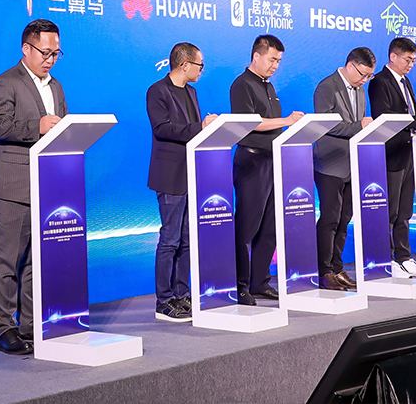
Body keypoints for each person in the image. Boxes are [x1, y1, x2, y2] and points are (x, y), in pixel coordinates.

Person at [0, 19, 68, 355]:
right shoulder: (6, 82)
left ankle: (30, 325)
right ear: (26, 48)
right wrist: (38, 126)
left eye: (56, 53)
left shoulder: (56, 87)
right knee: (7, 262)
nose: (50, 59)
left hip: (46, 184)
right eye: (45, 52)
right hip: (13, 186)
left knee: (36, 262)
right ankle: (4, 329)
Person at [146, 43, 218, 322]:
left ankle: (181, 293)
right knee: (170, 239)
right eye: (200, 65)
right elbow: (162, 129)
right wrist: (200, 127)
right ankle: (164, 300)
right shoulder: (157, 91)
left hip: (191, 173)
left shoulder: (192, 92)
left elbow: (193, 132)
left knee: (187, 239)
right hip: (170, 174)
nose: (202, 71)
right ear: (185, 64)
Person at [230, 35, 304, 305]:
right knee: (247, 226)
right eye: (272, 59)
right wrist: (286, 121)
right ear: (256, 56)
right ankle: (239, 285)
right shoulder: (242, 85)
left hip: (272, 160)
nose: (275, 65)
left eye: (279, 61)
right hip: (252, 161)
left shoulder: (269, 86)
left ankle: (259, 282)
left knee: (270, 226)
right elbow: (249, 122)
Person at [368, 38, 416, 278]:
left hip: (409, 151)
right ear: (393, 57)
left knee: (405, 210)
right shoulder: (379, 81)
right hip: (391, 153)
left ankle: (403, 256)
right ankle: (386, 258)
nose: (411, 65)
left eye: (414, 61)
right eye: (408, 59)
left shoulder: (405, 81)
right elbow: (384, 117)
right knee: (390, 210)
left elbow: (409, 116)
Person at [312, 47, 376, 291]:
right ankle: (323, 270)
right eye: (363, 74)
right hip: (329, 163)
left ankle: (337, 267)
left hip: (351, 162)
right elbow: (327, 124)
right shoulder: (326, 87)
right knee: (329, 218)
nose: (365, 80)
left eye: (369, 76)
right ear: (350, 65)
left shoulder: (360, 89)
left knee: (344, 219)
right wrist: (359, 126)